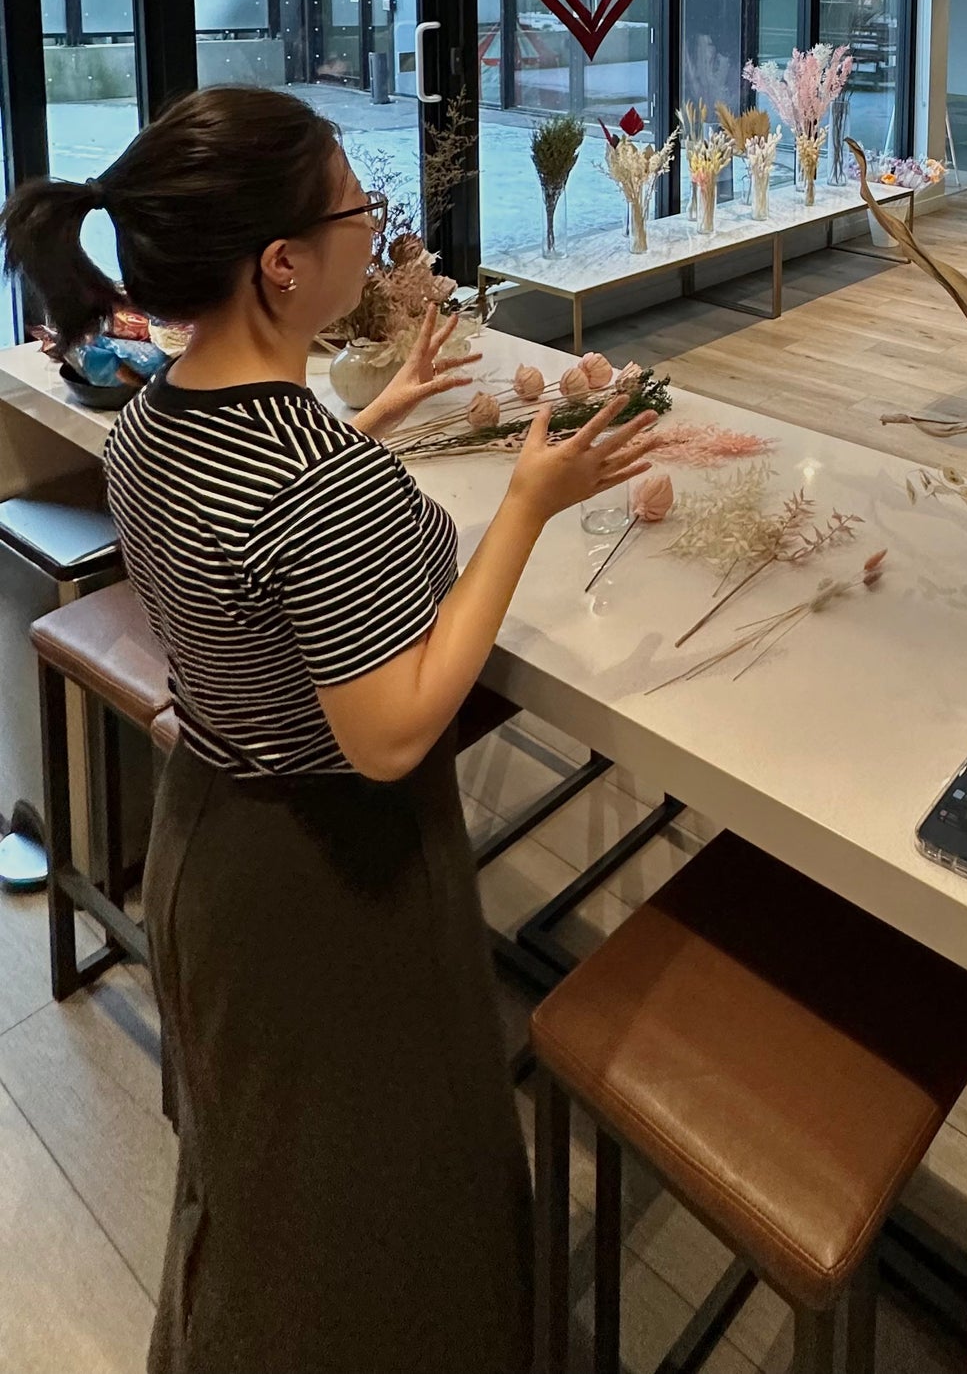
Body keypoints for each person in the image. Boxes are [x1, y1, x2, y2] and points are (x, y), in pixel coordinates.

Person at [0, 88, 672, 1374]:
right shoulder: (313, 480)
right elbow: (392, 732)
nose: (375, 229)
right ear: (281, 265)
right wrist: (528, 503)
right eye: (353, 209)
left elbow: (256, 532)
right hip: (333, 882)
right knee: (370, 1222)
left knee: (253, 1173)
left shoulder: (152, 419)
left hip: (209, 840)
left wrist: (371, 419)